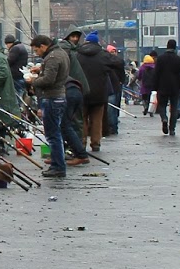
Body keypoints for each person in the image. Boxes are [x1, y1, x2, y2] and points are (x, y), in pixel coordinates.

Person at [27, 34, 91, 176]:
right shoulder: (61, 53)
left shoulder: (52, 57)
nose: (37, 54)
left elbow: (49, 80)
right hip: (60, 96)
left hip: (52, 97)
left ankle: (58, 166)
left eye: (37, 50)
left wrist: (33, 81)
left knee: (53, 134)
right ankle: (58, 164)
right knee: (57, 131)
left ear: (43, 46)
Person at [75, 30, 120, 151]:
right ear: (97, 42)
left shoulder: (77, 54)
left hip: (82, 92)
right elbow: (119, 63)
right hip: (100, 93)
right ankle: (95, 143)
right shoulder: (103, 54)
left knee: (82, 119)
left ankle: (82, 143)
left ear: (86, 42)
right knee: (97, 120)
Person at [153, 39, 180, 135]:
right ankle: (172, 128)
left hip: (162, 86)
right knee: (173, 108)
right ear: (175, 47)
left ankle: (164, 119)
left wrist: (154, 86)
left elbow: (156, 73)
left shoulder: (160, 59)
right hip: (175, 87)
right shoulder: (178, 60)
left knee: (162, 105)